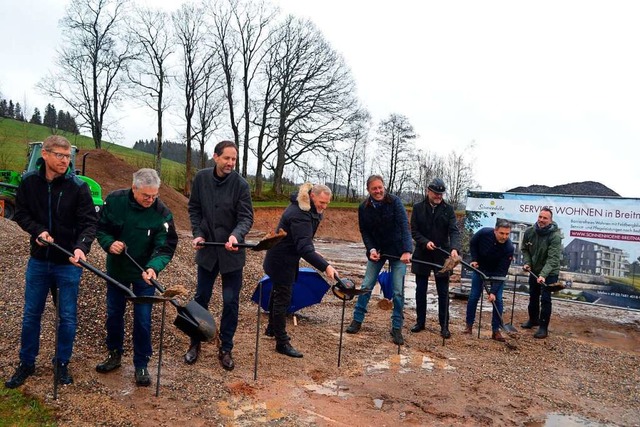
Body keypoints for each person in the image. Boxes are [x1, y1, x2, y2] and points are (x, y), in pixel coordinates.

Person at [5, 135, 98, 389]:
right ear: (44, 154)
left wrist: (81, 248)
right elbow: (21, 214)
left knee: (67, 317)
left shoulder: (78, 187)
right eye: (59, 155)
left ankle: (62, 363)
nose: (65, 161)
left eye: (68, 156)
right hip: (39, 261)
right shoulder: (28, 183)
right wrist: (38, 231)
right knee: (31, 315)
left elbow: (90, 223)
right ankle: (26, 362)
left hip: (68, 263)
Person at [94, 168, 178, 386]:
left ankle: (141, 364)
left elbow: (166, 246)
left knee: (142, 319)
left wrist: (153, 267)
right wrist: (109, 243)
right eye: (146, 196)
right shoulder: (114, 201)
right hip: (118, 271)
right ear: (134, 188)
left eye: (154, 196)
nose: (151, 200)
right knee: (114, 314)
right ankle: (114, 354)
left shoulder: (161, 213)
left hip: (144, 275)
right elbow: (101, 228)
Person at [185, 140, 254, 370]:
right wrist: (197, 233)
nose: (231, 163)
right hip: (208, 250)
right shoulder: (201, 179)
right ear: (215, 157)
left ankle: (226, 347)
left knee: (230, 302)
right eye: (227, 158)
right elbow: (194, 209)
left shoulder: (241, 185)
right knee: (201, 298)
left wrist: (236, 235)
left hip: (232, 253)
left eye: (234, 159)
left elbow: (246, 218)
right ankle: (195, 342)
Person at [263, 183, 338, 357]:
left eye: (327, 203)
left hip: (284, 256)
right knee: (283, 298)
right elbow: (303, 247)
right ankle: (282, 343)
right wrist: (325, 266)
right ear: (312, 196)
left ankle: (271, 329)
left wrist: (310, 249)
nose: (324, 207)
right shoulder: (300, 214)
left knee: (277, 293)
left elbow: (303, 240)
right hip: (281, 260)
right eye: (321, 202)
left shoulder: (309, 210)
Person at [345, 175, 412, 345]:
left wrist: (407, 250)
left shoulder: (395, 202)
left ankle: (396, 327)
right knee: (366, 285)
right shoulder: (364, 207)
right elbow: (365, 232)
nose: (378, 191)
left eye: (380, 187)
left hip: (398, 252)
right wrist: (371, 249)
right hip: (378, 252)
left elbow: (405, 226)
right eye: (374, 188)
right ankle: (357, 320)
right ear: (368, 190)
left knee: (397, 291)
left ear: (384, 187)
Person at [410, 178, 461, 339]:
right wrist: (425, 242)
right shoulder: (418, 208)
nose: (438, 196)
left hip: (442, 255)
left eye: (441, 194)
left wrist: (454, 248)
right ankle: (420, 322)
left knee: (443, 292)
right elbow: (414, 232)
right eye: (436, 193)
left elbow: (454, 231)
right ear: (428, 191)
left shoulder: (448, 210)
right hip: (422, 253)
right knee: (420, 290)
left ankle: (444, 326)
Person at [464, 219, 514, 342]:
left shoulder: (509, 248)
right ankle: (469, 326)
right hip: (480, 268)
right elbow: (473, 243)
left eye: (507, 234)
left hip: (497, 273)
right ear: (495, 230)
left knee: (498, 299)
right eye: (502, 233)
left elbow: (501, 272)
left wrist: (493, 292)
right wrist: (474, 259)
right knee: (474, 296)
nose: (504, 237)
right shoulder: (483, 233)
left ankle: (496, 330)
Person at [521, 207, 563, 339]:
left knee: (545, 299)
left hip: (550, 272)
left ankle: (543, 328)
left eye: (545, 218)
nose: (541, 220)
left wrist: (543, 275)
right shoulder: (530, 232)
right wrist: (528, 263)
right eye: (540, 217)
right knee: (533, 296)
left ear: (550, 221)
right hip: (535, 269)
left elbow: (553, 259)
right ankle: (533, 320)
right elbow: (525, 249)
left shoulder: (555, 236)